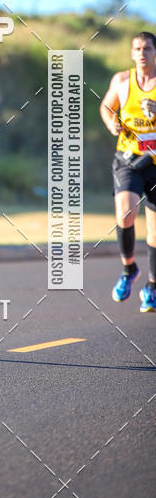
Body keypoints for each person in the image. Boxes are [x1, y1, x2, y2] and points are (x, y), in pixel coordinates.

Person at [100, 31, 156, 311]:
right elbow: (106, 107)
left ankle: (152, 287)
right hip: (129, 159)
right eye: (137, 49)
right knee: (125, 213)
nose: (141, 53)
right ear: (132, 53)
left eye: (147, 48)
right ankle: (128, 269)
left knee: (155, 233)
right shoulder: (122, 80)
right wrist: (112, 122)